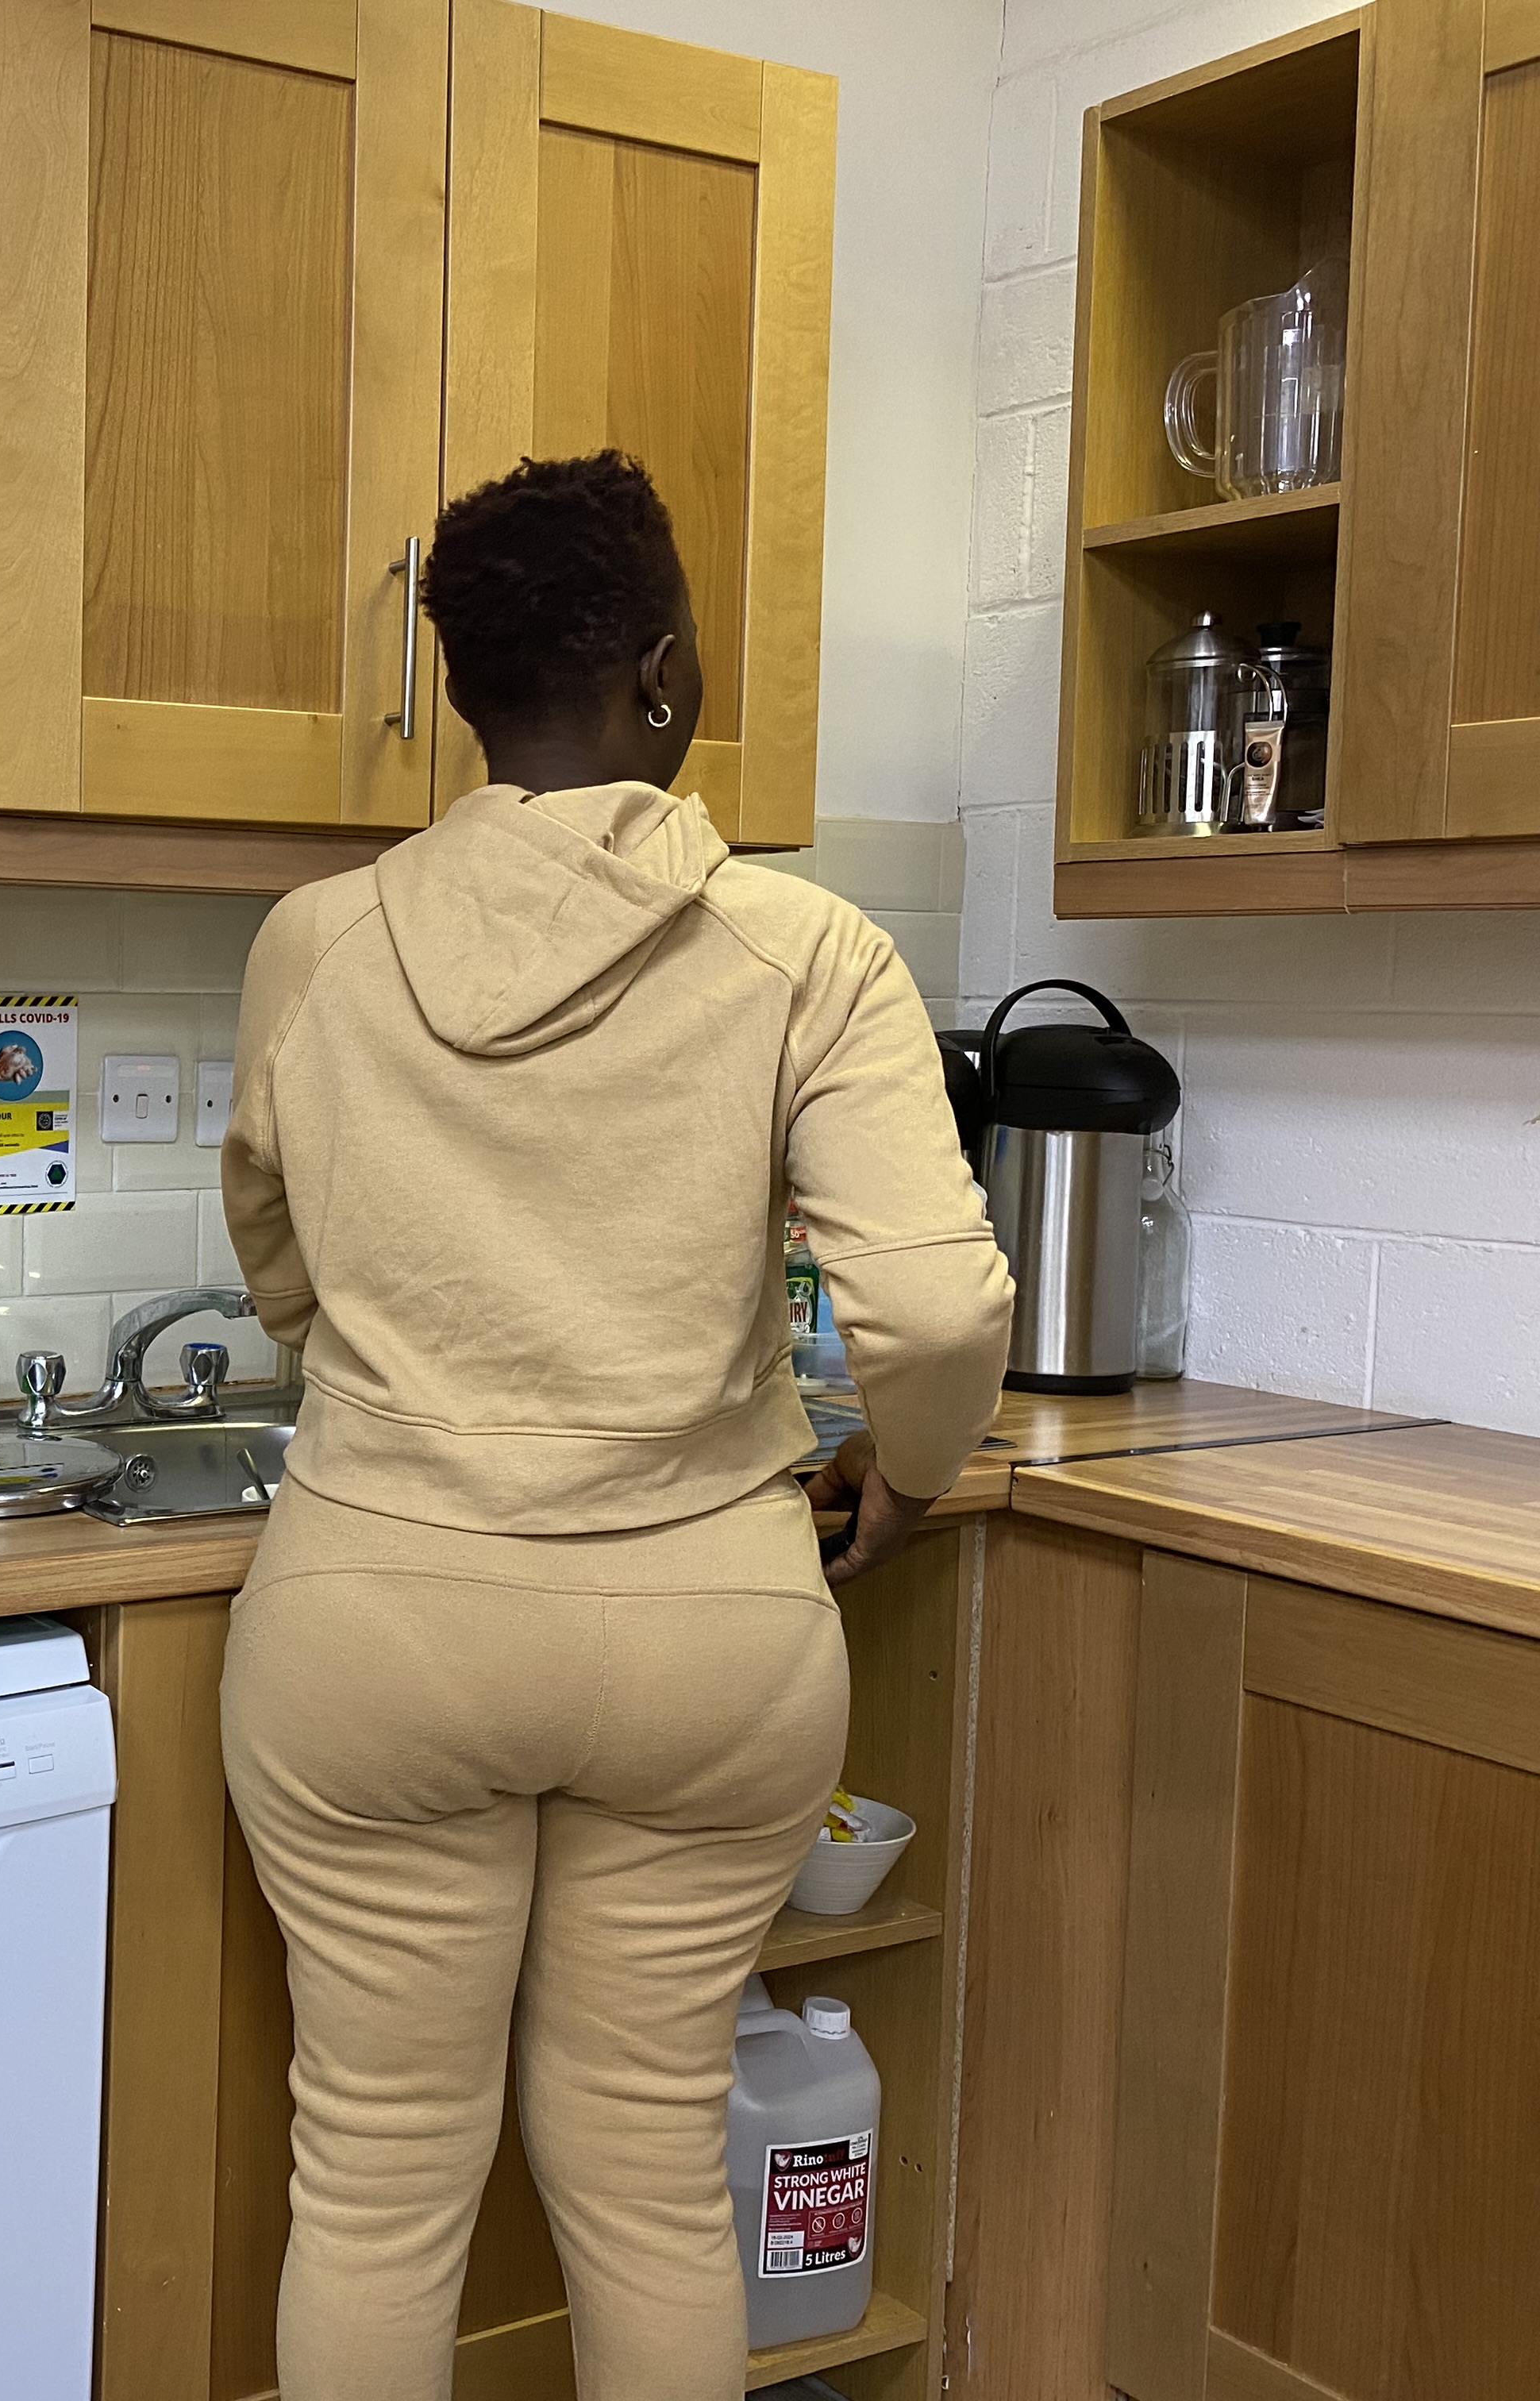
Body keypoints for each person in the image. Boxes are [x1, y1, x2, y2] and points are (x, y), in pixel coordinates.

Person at [218, 450, 1011, 2399]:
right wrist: (903, 1471)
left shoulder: (317, 943)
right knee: (652, 2170)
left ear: (468, 691)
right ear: (663, 676)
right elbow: (937, 1304)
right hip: (708, 1637)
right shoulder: (808, 952)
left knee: (381, 2183)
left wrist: (376, 1349)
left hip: (376, 1619)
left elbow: (274, 1237)